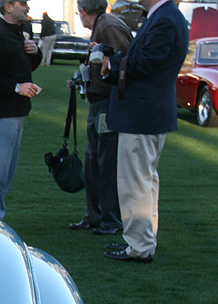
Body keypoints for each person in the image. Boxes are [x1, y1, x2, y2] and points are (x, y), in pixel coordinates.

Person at [101, 0, 188, 263]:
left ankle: (139, 245)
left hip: (143, 114)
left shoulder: (164, 18)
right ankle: (142, 240)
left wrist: (113, 62)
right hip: (150, 112)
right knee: (145, 181)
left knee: (135, 182)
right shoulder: (166, 16)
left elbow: (146, 63)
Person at [0, 0, 43, 220]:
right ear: (8, 7)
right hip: (1, 112)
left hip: (15, 112)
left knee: (3, 173)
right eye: (22, 3)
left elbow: (23, 68)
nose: (27, 8)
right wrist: (17, 88)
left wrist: (35, 53)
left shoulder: (18, 34)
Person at [67, 0, 131, 235]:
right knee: (95, 162)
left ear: (83, 11)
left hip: (108, 104)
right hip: (101, 103)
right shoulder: (105, 24)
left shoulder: (108, 26)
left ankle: (110, 220)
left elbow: (121, 63)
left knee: (105, 163)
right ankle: (95, 217)